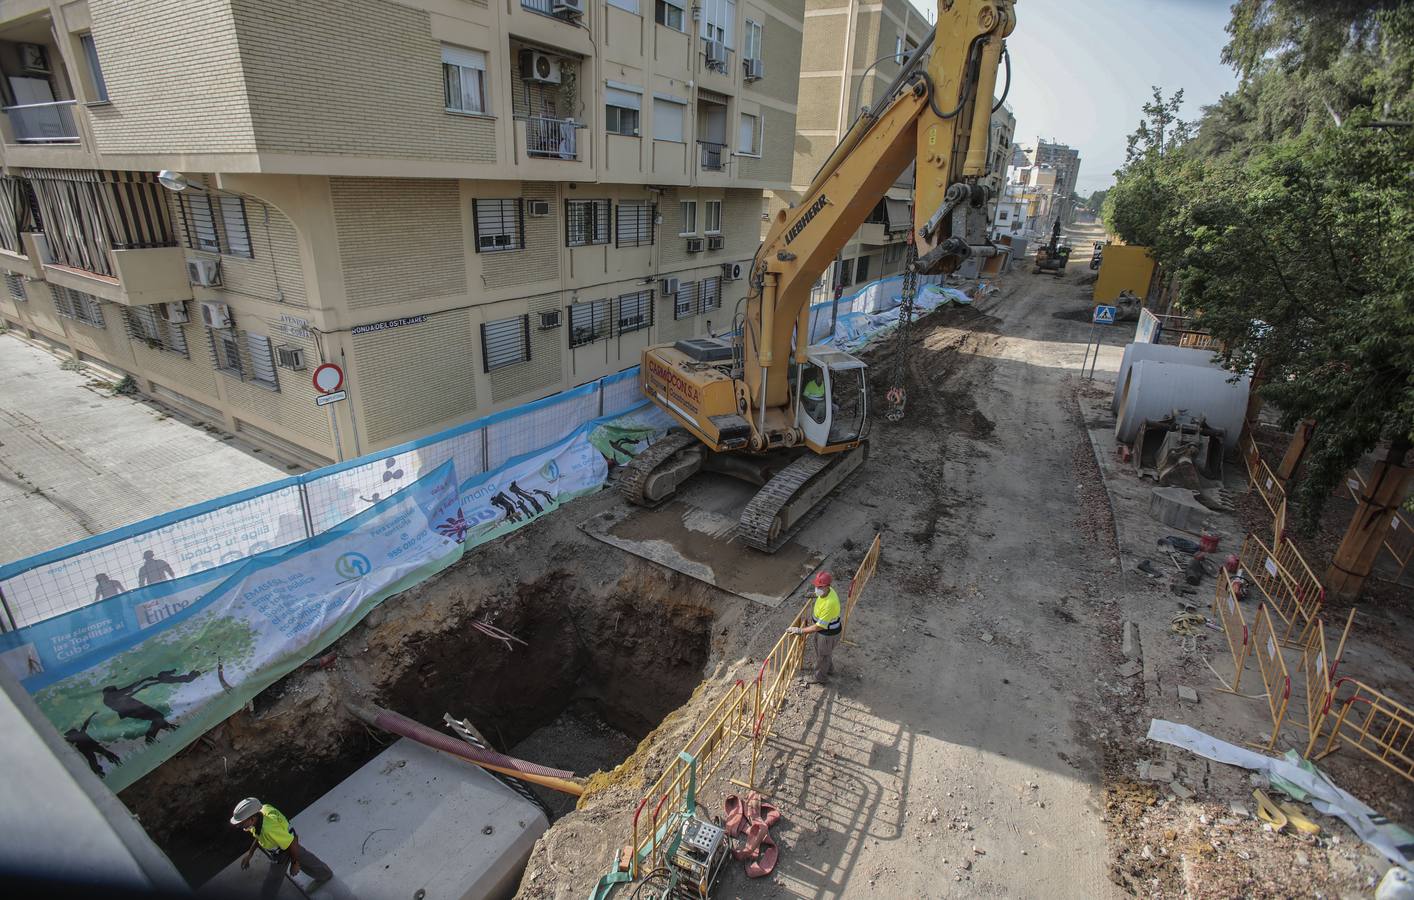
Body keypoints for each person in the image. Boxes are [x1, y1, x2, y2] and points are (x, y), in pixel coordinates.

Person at [231, 797, 334, 897]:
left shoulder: (269, 830)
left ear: (252, 819)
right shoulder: (262, 811)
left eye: (240, 823)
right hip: (284, 841)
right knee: (306, 859)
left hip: (285, 849)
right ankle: (324, 874)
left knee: (274, 878)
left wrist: (295, 863)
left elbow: (292, 843)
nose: (238, 826)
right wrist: (250, 853)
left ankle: (325, 875)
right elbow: (259, 837)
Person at [787, 571, 843, 684]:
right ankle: (829, 669)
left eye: (820, 587)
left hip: (828, 633)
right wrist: (814, 594)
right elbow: (821, 596)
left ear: (827, 586)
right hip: (825, 632)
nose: (817, 588)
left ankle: (820, 678)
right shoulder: (828, 591)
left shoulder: (830, 604)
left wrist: (800, 630)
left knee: (823, 655)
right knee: (823, 652)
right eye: (816, 586)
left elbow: (819, 626)